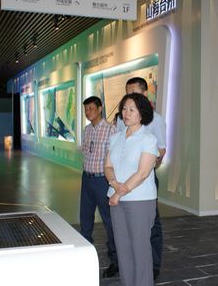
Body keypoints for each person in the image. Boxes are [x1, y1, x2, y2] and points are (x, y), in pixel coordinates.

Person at [105, 93, 159, 286]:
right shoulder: (115, 138)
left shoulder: (148, 139)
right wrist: (114, 184)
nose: (126, 113)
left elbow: (142, 173)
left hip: (139, 201)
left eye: (131, 110)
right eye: (124, 109)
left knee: (140, 248)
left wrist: (119, 192)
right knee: (123, 248)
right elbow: (108, 166)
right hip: (116, 199)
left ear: (142, 113)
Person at [115, 77, 166, 279]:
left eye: (134, 93)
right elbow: (117, 147)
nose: (130, 97)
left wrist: (145, 168)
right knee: (123, 234)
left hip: (143, 181)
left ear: (145, 94)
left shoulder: (156, 120)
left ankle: (153, 265)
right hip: (121, 181)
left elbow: (161, 150)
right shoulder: (121, 119)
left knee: (150, 227)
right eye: (127, 93)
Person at [79, 96, 118, 278]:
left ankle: (115, 259)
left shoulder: (111, 129)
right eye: (86, 109)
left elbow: (115, 157)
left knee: (109, 221)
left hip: (103, 181)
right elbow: (86, 152)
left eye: (91, 109)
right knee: (85, 219)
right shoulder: (87, 130)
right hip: (87, 179)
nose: (88, 112)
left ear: (100, 108)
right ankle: (84, 254)